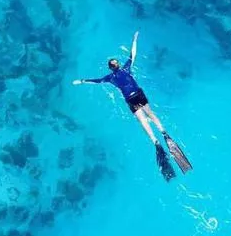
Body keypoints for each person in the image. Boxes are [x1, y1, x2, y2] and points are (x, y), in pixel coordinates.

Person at [72, 31, 192, 181]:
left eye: (115, 62)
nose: (116, 63)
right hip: (134, 97)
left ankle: (161, 136)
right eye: (115, 63)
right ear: (113, 66)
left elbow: (132, 54)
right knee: (145, 119)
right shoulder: (115, 74)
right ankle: (158, 138)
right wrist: (82, 81)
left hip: (135, 96)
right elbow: (97, 80)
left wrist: (135, 39)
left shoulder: (119, 72)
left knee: (148, 116)